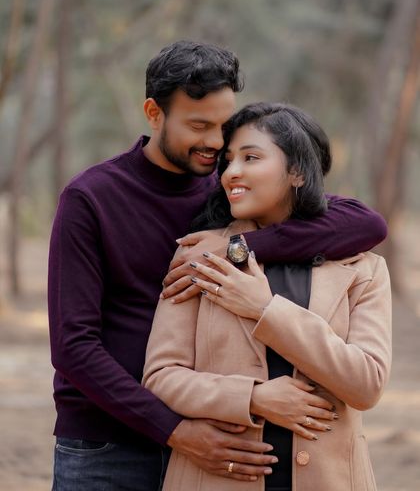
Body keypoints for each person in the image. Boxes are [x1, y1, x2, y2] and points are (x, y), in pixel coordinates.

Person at [48, 41, 387, 491]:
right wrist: (176, 430)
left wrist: (235, 247)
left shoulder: (227, 192)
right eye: (199, 125)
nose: (214, 144)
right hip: (110, 442)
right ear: (154, 113)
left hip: (218, 431)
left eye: (224, 128)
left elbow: (364, 222)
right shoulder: (92, 197)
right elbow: (74, 347)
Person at [143, 102, 392, 491]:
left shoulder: (363, 267)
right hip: (214, 480)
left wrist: (265, 309)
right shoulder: (200, 255)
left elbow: (367, 384)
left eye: (251, 157)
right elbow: (161, 377)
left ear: (296, 172)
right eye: (227, 161)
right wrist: (253, 398)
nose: (230, 173)